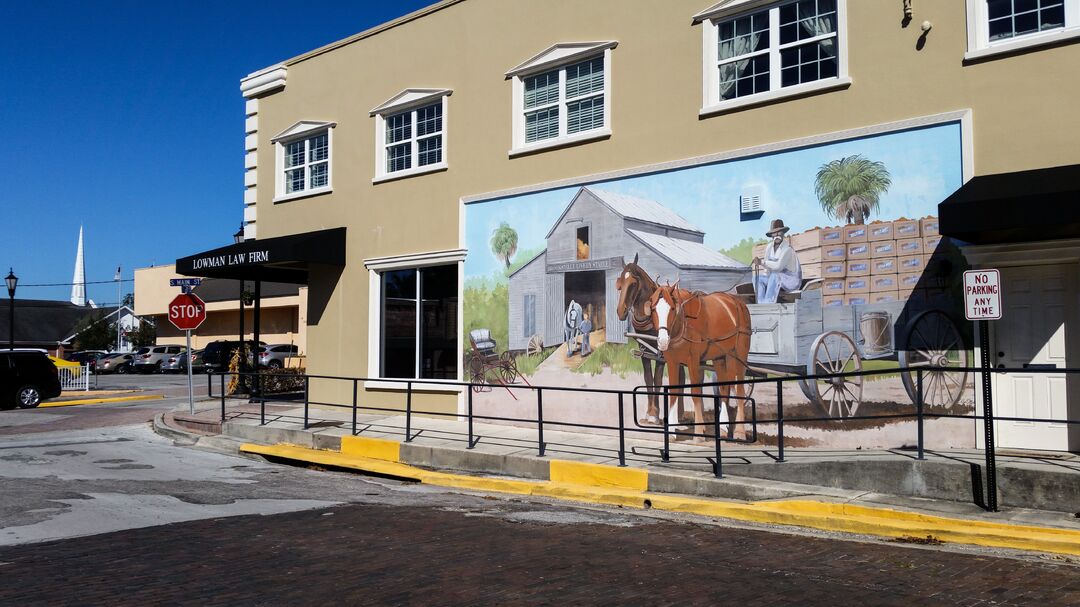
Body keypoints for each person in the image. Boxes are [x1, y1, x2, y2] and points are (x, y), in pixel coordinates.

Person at [752, 219, 802, 304]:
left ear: (783, 233)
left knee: (775, 275)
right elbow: (767, 269)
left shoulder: (787, 249)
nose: (777, 235)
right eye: (774, 233)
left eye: (779, 232)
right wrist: (766, 275)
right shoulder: (769, 247)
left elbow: (778, 267)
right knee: (756, 278)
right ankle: (760, 303)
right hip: (775, 278)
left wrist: (761, 262)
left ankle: (769, 303)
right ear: (771, 235)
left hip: (791, 280)